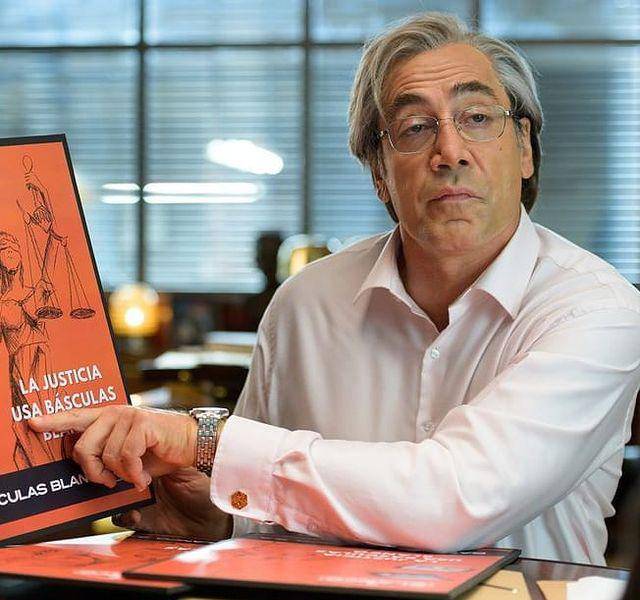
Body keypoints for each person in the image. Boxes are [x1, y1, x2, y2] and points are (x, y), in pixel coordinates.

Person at [30, 12, 640, 565]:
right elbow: (275, 509)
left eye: (478, 119)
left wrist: (203, 441)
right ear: (378, 171)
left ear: (525, 148)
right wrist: (216, 516)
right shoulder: (306, 303)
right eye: (414, 127)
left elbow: (455, 499)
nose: (450, 151)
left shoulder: (594, 310)